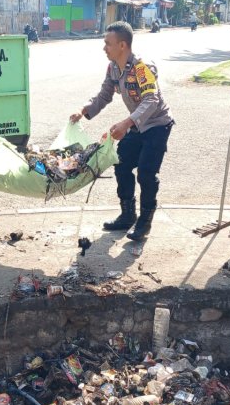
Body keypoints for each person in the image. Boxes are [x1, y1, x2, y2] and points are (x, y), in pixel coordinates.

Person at [70, 21, 174, 241]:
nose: (104, 47)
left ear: (123, 45)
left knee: (146, 173)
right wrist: (84, 110)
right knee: (121, 164)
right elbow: (104, 95)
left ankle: (145, 222)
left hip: (157, 125)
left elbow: (151, 100)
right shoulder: (113, 68)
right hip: (136, 125)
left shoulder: (142, 68)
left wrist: (127, 123)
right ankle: (128, 215)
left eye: (108, 43)